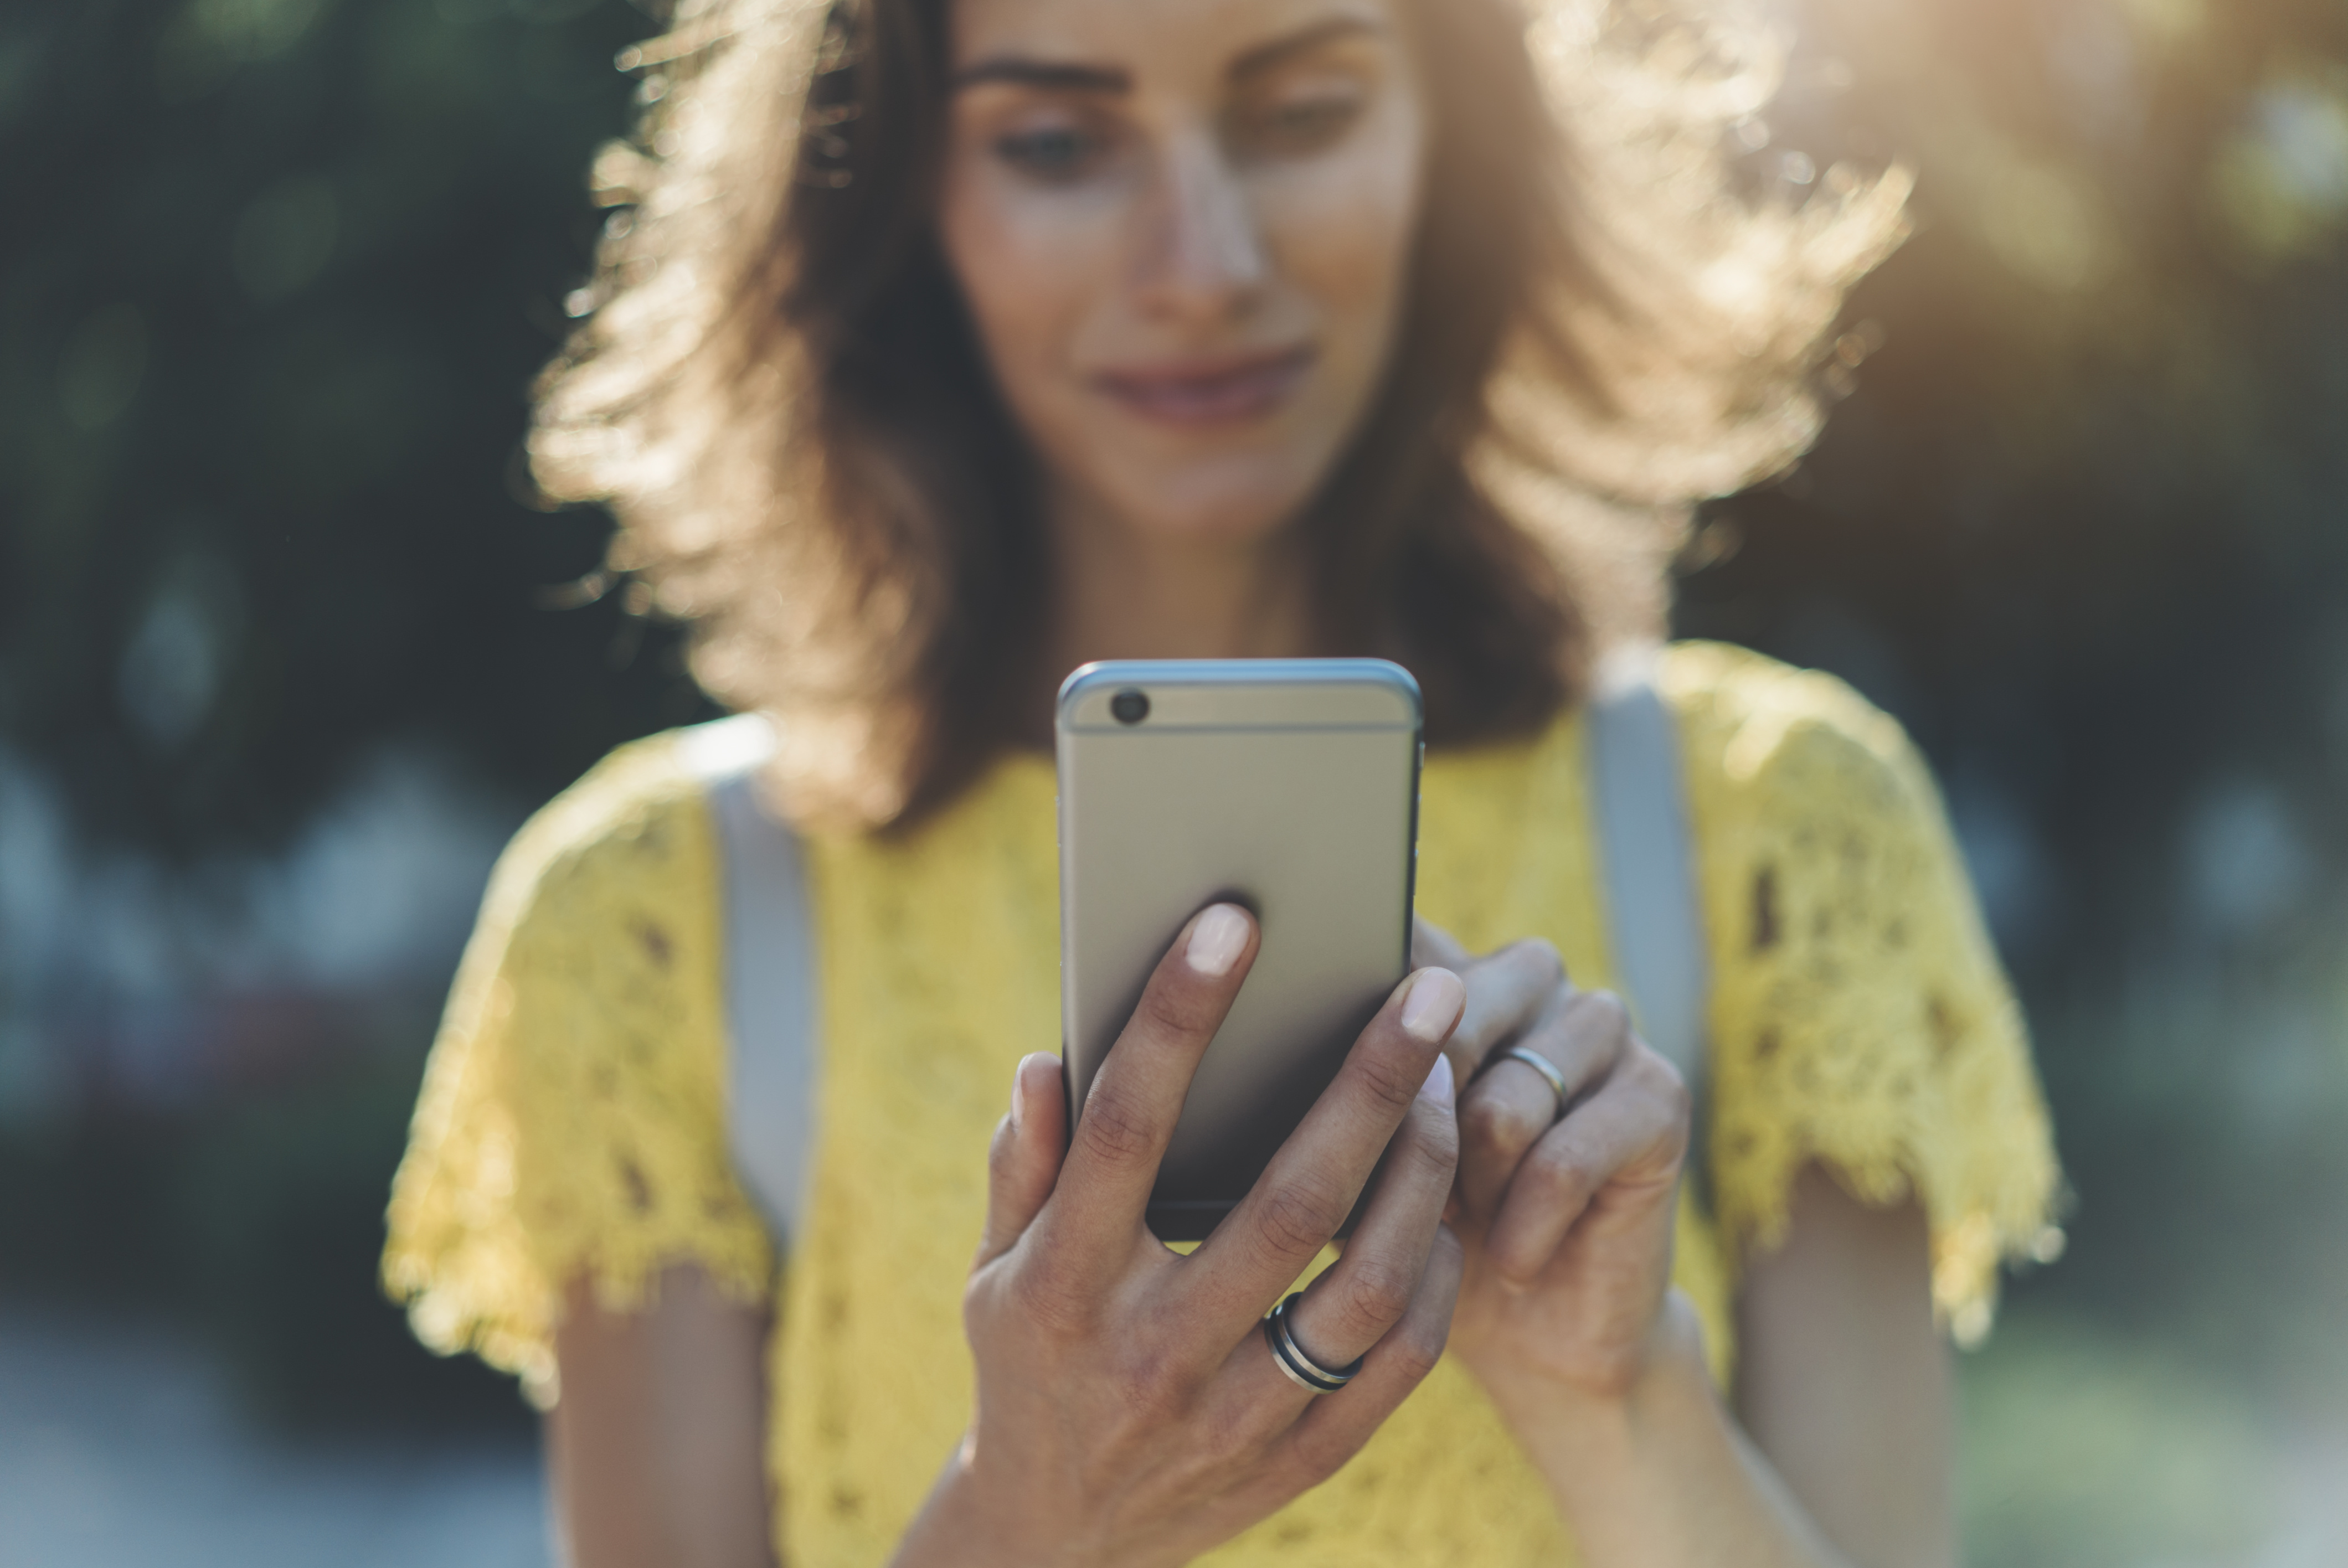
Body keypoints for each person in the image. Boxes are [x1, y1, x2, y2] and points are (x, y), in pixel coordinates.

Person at [383, 0, 2062, 1562]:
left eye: (1302, 110)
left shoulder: (1780, 836)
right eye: (1056, 142)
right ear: (897, 195)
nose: (1205, 262)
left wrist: (1623, 1404)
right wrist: (1027, 1517)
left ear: (1448, 139)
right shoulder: (648, 928)